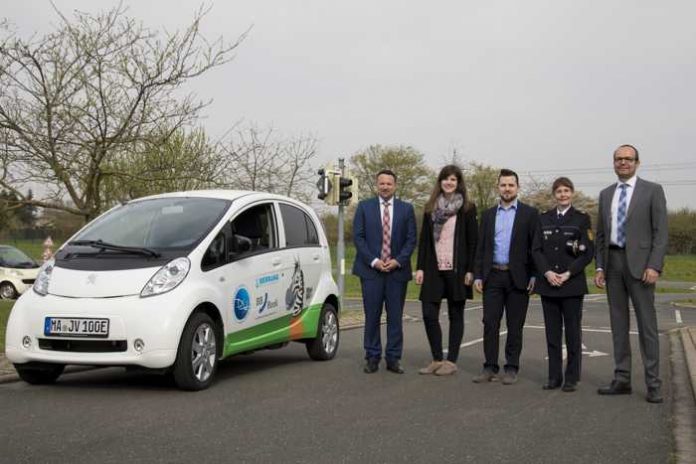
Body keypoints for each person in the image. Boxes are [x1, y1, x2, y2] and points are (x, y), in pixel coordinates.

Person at [594, 144, 668, 403]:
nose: (623, 163)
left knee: (647, 327)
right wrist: (600, 266)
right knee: (618, 325)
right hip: (612, 263)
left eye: (628, 159)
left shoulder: (653, 191)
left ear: (637, 162)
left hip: (641, 266)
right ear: (613, 163)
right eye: (618, 159)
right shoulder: (605, 195)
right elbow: (601, 236)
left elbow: (661, 233)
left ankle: (654, 384)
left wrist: (654, 265)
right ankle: (622, 378)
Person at [472, 169, 538, 385]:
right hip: (493, 277)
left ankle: (511, 367)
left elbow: (535, 248)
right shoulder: (489, 215)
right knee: (490, 322)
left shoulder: (529, 214)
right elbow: (481, 247)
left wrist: (534, 275)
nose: (507, 189)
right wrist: (479, 275)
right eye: (503, 185)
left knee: (515, 324)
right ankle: (489, 366)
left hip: (518, 278)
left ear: (517, 188)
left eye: (511, 185)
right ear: (498, 187)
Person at [415, 165, 478, 376]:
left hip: (457, 270)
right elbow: (424, 241)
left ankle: (451, 361)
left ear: (458, 182)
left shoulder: (468, 208)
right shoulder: (430, 207)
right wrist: (420, 268)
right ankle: (436, 358)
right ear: (440, 182)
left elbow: (472, 242)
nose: (449, 182)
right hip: (434, 269)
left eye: (453, 179)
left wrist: (471, 270)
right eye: (445, 179)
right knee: (428, 313)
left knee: (455, 315)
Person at [532, 177, 594, 392]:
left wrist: (568, 273)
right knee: (552, 334)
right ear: (554, 195)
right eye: (559, 191)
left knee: (573, 333)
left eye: (566, 191)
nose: (563, 195)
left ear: (572, 193)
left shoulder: (582, 219)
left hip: (572, 285)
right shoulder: (543, 219)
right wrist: (547, 272)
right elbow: (536, 250)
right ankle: (554, 376)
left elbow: (587, 252)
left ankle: (571, 377)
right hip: (548, 284)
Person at [353, 169, 417, 374]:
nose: (385, 187)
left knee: (395, 317)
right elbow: (359, 237)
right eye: (382, 183)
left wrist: (398, 261)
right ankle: (372, 357)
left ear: (395, 186)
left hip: (397, 273)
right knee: (372, 316)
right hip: (371, 272)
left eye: (389, 183)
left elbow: (411, 240)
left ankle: (393, 358)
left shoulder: (407, 209)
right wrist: (374, 261)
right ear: (376, 185)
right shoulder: (364, 207)